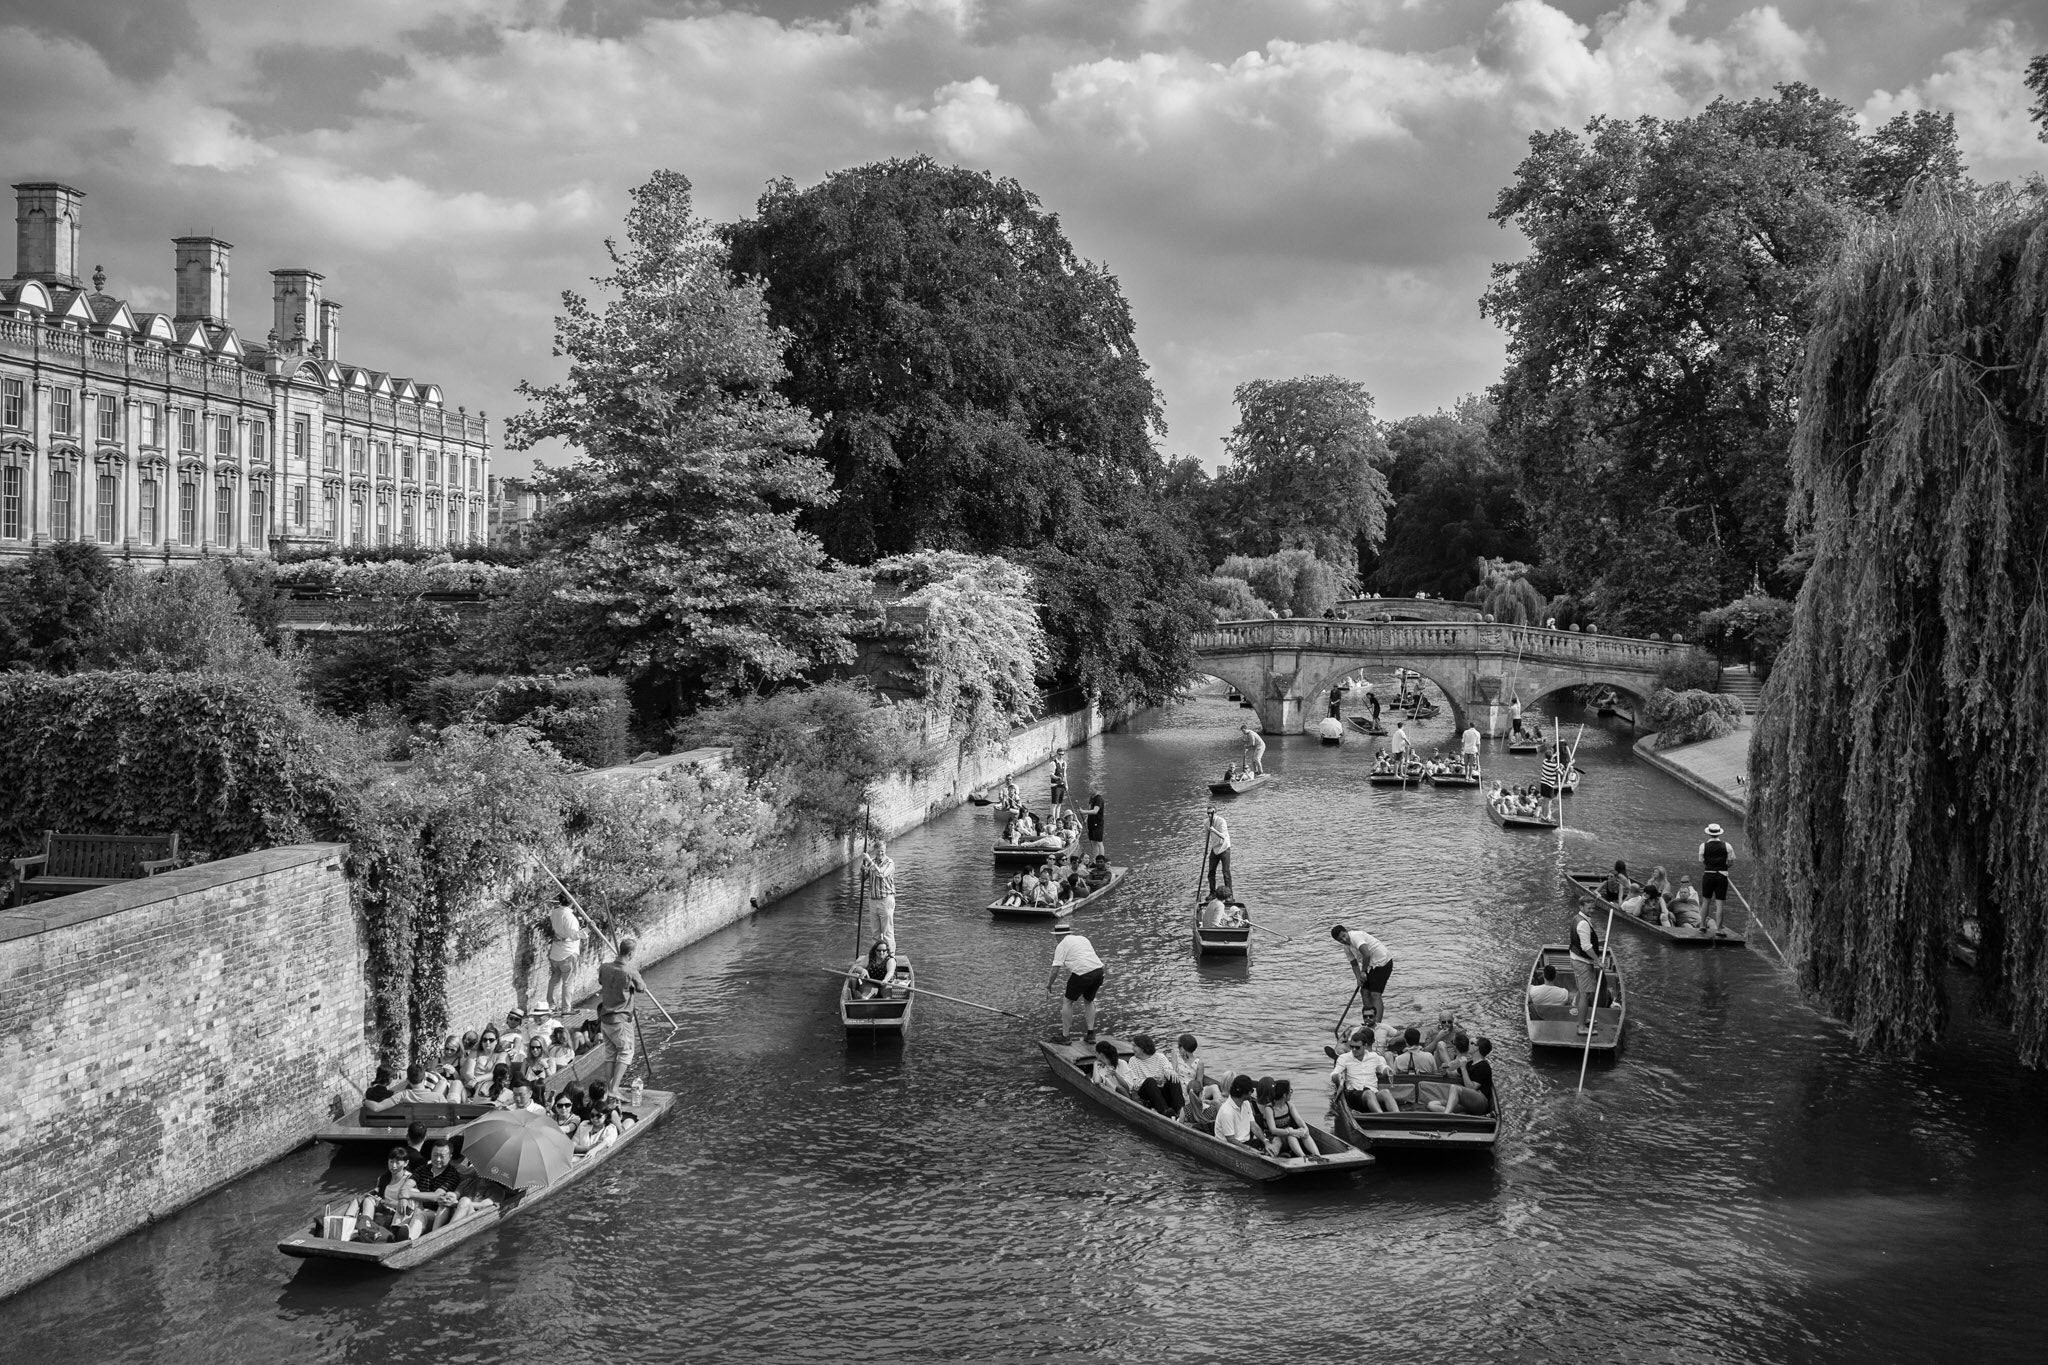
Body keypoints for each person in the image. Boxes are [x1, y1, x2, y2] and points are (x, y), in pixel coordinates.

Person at [597, 937, 650, 1093]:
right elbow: (641, 988)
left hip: (605, 1018)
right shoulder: (630, 971)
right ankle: (614, 1088)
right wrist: (633, 983)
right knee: (627, 1053)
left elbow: (601, 982)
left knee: (610, 1054)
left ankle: (609, 1088)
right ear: (631, 953)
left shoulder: (605, 967)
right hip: (620, 1020)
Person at [1048, 921, 1106, 1044]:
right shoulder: (1082, 939)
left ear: (1058, 936)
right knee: (1089, 1000)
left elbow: (1054, 970)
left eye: (1056, 936)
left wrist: (1049, 985)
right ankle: (1090, 1034)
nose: (1056, 939)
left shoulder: (1061, 945)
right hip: (1099, 971)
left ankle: (1065, 1036)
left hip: (1083, 973)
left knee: (1068, 1001)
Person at [1331, 924, 1394, 1024]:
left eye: (1344, 936)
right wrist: (1358, 978)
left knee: (1375, 994)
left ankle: (1377, 1024)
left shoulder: (1355, 937)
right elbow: (1354, 963)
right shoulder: (1346, 947)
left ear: (1346, 931)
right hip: (1369, 965)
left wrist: (1363, 972)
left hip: (1382, 962)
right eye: (1340, 940)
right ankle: (1368, 1020)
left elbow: (1366, 954)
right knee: (1364, 992)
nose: (1344, 940)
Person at [1330, 1028, 1393, 1114]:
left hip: (1372, 1091)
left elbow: (1382, 1067)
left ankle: (1400, 1117)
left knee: (1386, 1092)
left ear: (1365, 1046)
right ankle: (1381, 1116)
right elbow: (1335, 1073)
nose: (1354, 1050)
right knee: (1368, 1093)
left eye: (1357, 1047)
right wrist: (1337, 1077)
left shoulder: (1374, 1057)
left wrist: (1387, 1070)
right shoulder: (1344, 1058)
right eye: (1352, 1047)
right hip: (1353, 1094)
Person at [1260, 1078, 1324, 1160]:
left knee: (1302, 1131)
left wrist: (1305, 1129)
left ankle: (1318, 1155)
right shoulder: (1269, 1109)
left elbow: (1298, 1119)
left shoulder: (1289, 1105)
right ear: (1284, 1095)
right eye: (1290, 1090)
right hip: (1275, 1139)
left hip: (1288, 1136)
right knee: (1291, 1133)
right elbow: (1273, 1130)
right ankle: (1303, 1157)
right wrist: (1291, 1131)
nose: (1291, 1093)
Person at [409, 1139, 464, 1234]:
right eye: (435, 1155)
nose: (438, 1159)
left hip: (436, 1213)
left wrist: (409, 1194)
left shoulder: (453, 1175)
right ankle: (397, 1229)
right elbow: (405, 1187)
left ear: (450, 1156)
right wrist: (404, 1197)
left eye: (442, 1156)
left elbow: (436, 1196)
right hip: (418, 1208)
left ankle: (408, 1241)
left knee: (420, 1214)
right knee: (410, 1195)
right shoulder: (422, 1169)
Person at [545, 893, 583, 1018]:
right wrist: (588, 930)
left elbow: (561, 933)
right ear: (572, 901)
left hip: (555, 953)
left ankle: (551, 1005)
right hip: (568, 953)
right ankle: (566, 1008)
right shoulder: (569, 917)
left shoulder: (555, 912)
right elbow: (573, 935)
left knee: (555, 979)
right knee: (568, 982)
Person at [1125, 1034, 1182, 1115]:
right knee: (1150, 1081)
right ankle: (1165, 1111)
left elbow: (1167, 1068)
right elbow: (1135, 1083)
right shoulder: (1133, 1060)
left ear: (1142, 1048)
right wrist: (1153, 1080)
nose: (1132, 1049)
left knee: (1174, 1078)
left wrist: (1172, 1072)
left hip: (1161, 1091)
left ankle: (1181, 1111)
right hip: (1146, 1094)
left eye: (1135, 1046)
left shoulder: (1160, 1057)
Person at [1569, 905, 1607, 1024]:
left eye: (1593, 908)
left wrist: (1598, 942)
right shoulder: (1583, 923)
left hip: (1576, 958)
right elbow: (1586, 947)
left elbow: (1582, 939)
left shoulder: (1577, 918)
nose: (1591, 911)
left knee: (1582, 990)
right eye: (1588, 908)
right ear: (1581, 907)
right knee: (1585, 994)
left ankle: (1583, 1018)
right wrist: (1598, 961)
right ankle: (1581, 1026)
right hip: (1582, 962)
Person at [1212, 1074, 1266, 1150]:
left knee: (1274, 1140)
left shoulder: (1246, 1103)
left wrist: (1265, 1141)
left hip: (1246, 1142)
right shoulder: (1226, 1112)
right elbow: (1231, 1139)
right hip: (1230, 1147)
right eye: (1252, 1091)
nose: (1253, 1093)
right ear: (1245, 1093)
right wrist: (1249, 1149)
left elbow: (1253, 1125)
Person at [1699, 823, 1735, 935]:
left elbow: (1702, 861)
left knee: (1706, 901)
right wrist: (1723, 867)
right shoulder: (1727, 846)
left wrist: (1711, 865)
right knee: (1720, 903)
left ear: (1709, 833)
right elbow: (1730, 862)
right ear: (1719, 833)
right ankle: (1719, 929)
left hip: (1708, 874)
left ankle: (1702, 925)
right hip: (1722, 876)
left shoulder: (1703, 846)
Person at [863, 839, 898, 944]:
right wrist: (863, 871)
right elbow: (862, 880)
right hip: (873, 901)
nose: (880, 853)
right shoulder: (872, 863)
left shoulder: (890, 863)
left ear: (885, 850)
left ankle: (890, 957)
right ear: (875, 851)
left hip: (885, 901)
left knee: (887, 933)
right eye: (878, 851)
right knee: (875, 934)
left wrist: (869, 861)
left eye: (882, 851)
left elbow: (881, 874)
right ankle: (876, 957)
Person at [1205, 808, 1232, 895]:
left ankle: (1229, 894)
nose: (1209, 815)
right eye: (1208, 813)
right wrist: (1205, 850)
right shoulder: (1206, 823)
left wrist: (1214, 830)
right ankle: (1212, 892)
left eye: (1211, 813)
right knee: (1211, 871)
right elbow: (1207, 836)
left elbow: (1224, 836)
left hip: (1224, 847)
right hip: (1215, 848)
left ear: (1215, 813)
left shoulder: (1221, 821)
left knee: (1225, 872)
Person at [1085, 789, 1107, 860]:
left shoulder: (1099, 799)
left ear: (1096, 789)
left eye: (1092, 789)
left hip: (1097, 823)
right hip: (1091, 823)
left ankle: (1101, 860)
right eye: (1090, 789)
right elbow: (1089, 809)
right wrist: (1086, 818)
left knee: (1099, 842)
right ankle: (1094, 860)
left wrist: (1083, 811)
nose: (1090, 791)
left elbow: (1095, 811)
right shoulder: (1091, 798)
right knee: (1093, 842)